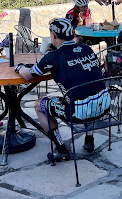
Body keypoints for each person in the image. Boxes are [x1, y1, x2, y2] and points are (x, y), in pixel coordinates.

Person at [15, 18, 110, 162]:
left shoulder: (52, 57)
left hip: (79, 112)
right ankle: (89, 140)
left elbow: (28, 75)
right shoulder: (86, 48)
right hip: (103, 104)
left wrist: (19, 68)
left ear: (53, 36)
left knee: (39, 105)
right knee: (87, 92)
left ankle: (61, 149)